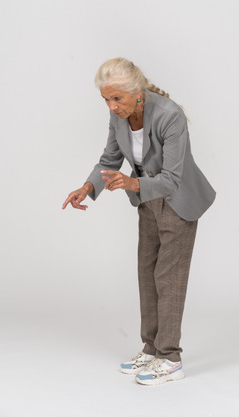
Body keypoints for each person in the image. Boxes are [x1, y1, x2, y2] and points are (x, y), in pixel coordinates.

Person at [62, 57, 216, 386]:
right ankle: (151, 348)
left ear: (137, 92)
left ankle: (171, 358)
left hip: (179, 201)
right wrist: (88, 187)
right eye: (105, 98)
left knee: (168, 277)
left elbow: (172, 179)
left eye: (117, 98)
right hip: (147, 201)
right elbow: (110, 158)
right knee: (147, 274)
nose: (111, 105)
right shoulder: (118, 117)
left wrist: (132, 183)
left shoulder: (169, 115)